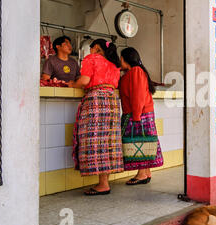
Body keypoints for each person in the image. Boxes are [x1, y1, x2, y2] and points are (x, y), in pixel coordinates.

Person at [70, 39, 123, 196]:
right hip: (112, 101)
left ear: (96, 48)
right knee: (108, 142)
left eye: (91, 48)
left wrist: (72, 85)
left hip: (96, 101)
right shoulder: (114, 64)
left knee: (94, 140)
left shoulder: (91, 59)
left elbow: (84, 80)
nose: (90, 50)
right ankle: (103, 183)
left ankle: (103, 184)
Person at [119, 47, 164, 185]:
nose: (119, 60)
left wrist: (136, 116)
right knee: (144, 142)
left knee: (139, 142)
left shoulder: (136, 71)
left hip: (138, 113)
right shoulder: (133, 72)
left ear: (126, 59)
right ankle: (146, 172)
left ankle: (142, 174)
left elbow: (138, 95)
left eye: (121, 57)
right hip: (139, 113)